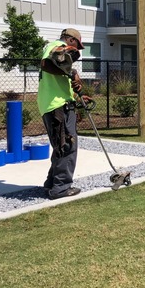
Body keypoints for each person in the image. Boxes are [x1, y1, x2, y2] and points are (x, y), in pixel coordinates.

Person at [37, 28, 86, 199]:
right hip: (58, 106)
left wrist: (74, 92)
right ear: (70, 40)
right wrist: (71, 70)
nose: (77, 50)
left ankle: (51, 183)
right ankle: (61, 188)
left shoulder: (53, 52)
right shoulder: (56, 45)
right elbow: (47, 63)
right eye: (77, 45)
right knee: (67, 146)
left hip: (54, 104)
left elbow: (56, 71)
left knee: (60, 145)